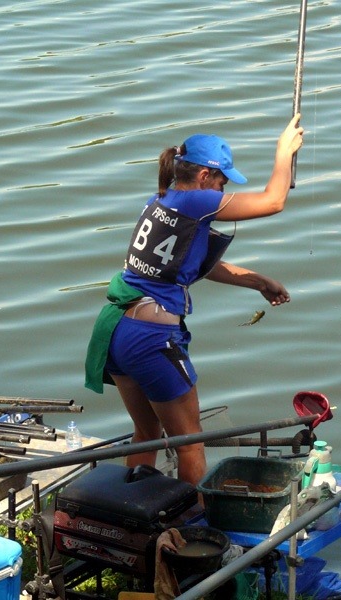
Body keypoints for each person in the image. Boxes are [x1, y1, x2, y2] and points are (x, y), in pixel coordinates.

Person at [85, 114, 304, 491]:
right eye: (222, 180)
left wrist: (257, 281)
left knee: (147, 432)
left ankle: (133, 509)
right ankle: (193, 528)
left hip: (117, 330)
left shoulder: (162, 199)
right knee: (190, 442)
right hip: (151, 338)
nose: (222, 189)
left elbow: (191, 265)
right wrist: (283, 152)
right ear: (204, 177)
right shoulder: (197, 201)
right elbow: (274, 201)